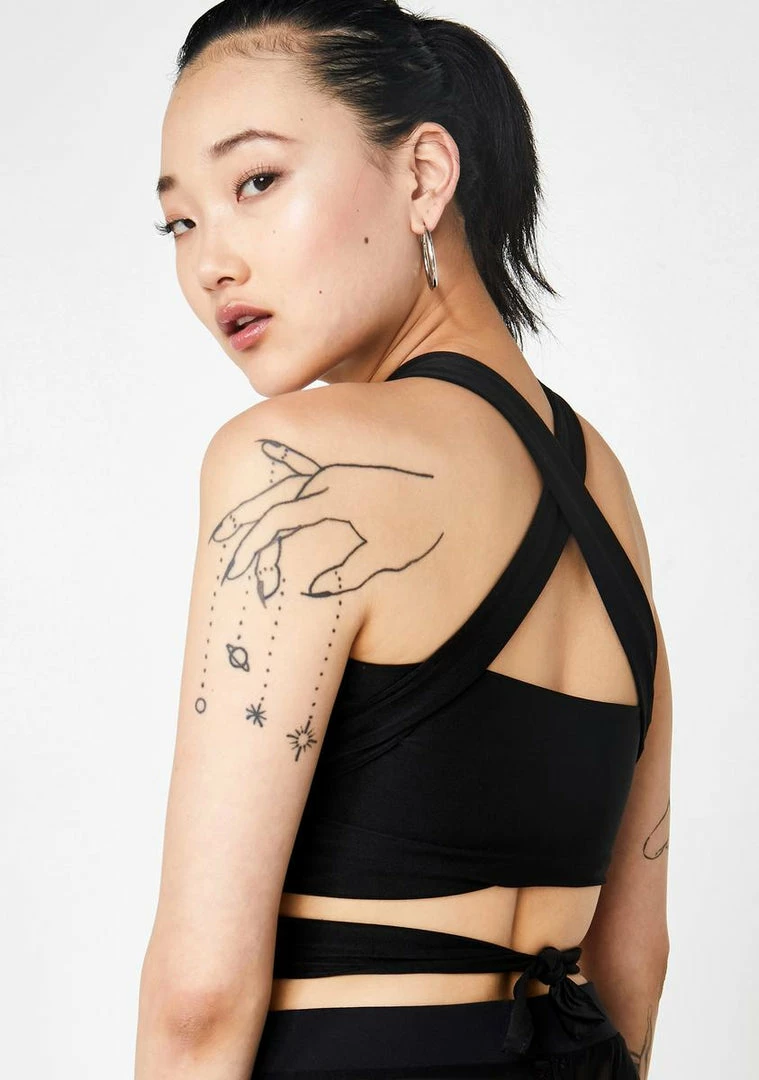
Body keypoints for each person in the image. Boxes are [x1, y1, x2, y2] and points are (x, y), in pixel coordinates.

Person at [134, 2, 672, 1077]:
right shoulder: (599, 479)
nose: (210, 264)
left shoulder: (288, 458)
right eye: (179, 222)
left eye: (256, 181)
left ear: (424, 175)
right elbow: (633, 959)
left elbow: (200, 997)